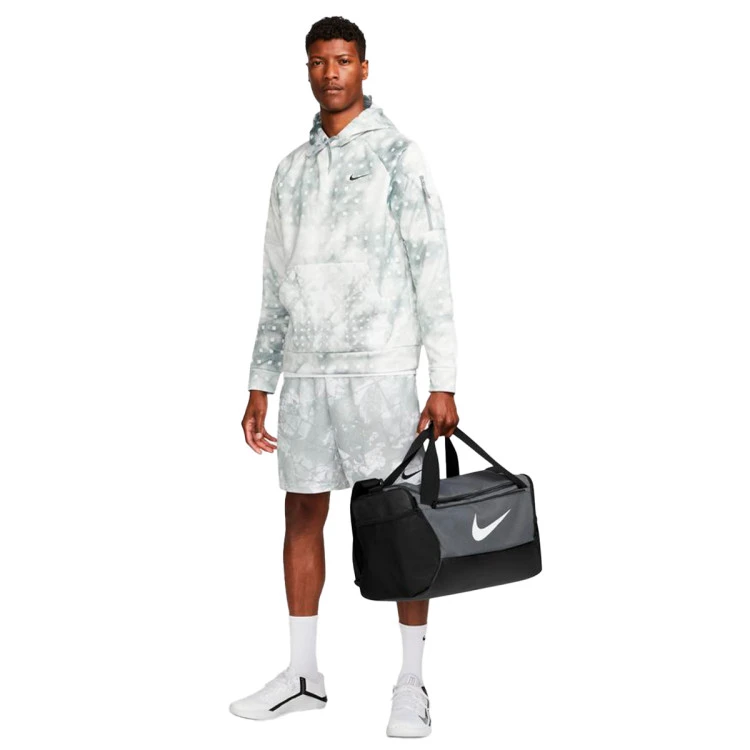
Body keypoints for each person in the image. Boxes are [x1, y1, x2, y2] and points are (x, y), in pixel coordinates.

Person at [230, 16, 459, 738]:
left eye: (343, 60)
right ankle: (303, 675)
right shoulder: (290, 171)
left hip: (380, 370)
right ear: (307, 69)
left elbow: (431, 267)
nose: (330, 73)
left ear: (364, 67)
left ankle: (412, 682)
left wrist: (444, 379)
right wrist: (261, 379)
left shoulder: (397, 154)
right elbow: (274, 282)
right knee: (301, 514)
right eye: (318, 62)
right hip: (307, 374)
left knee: (401, 520)